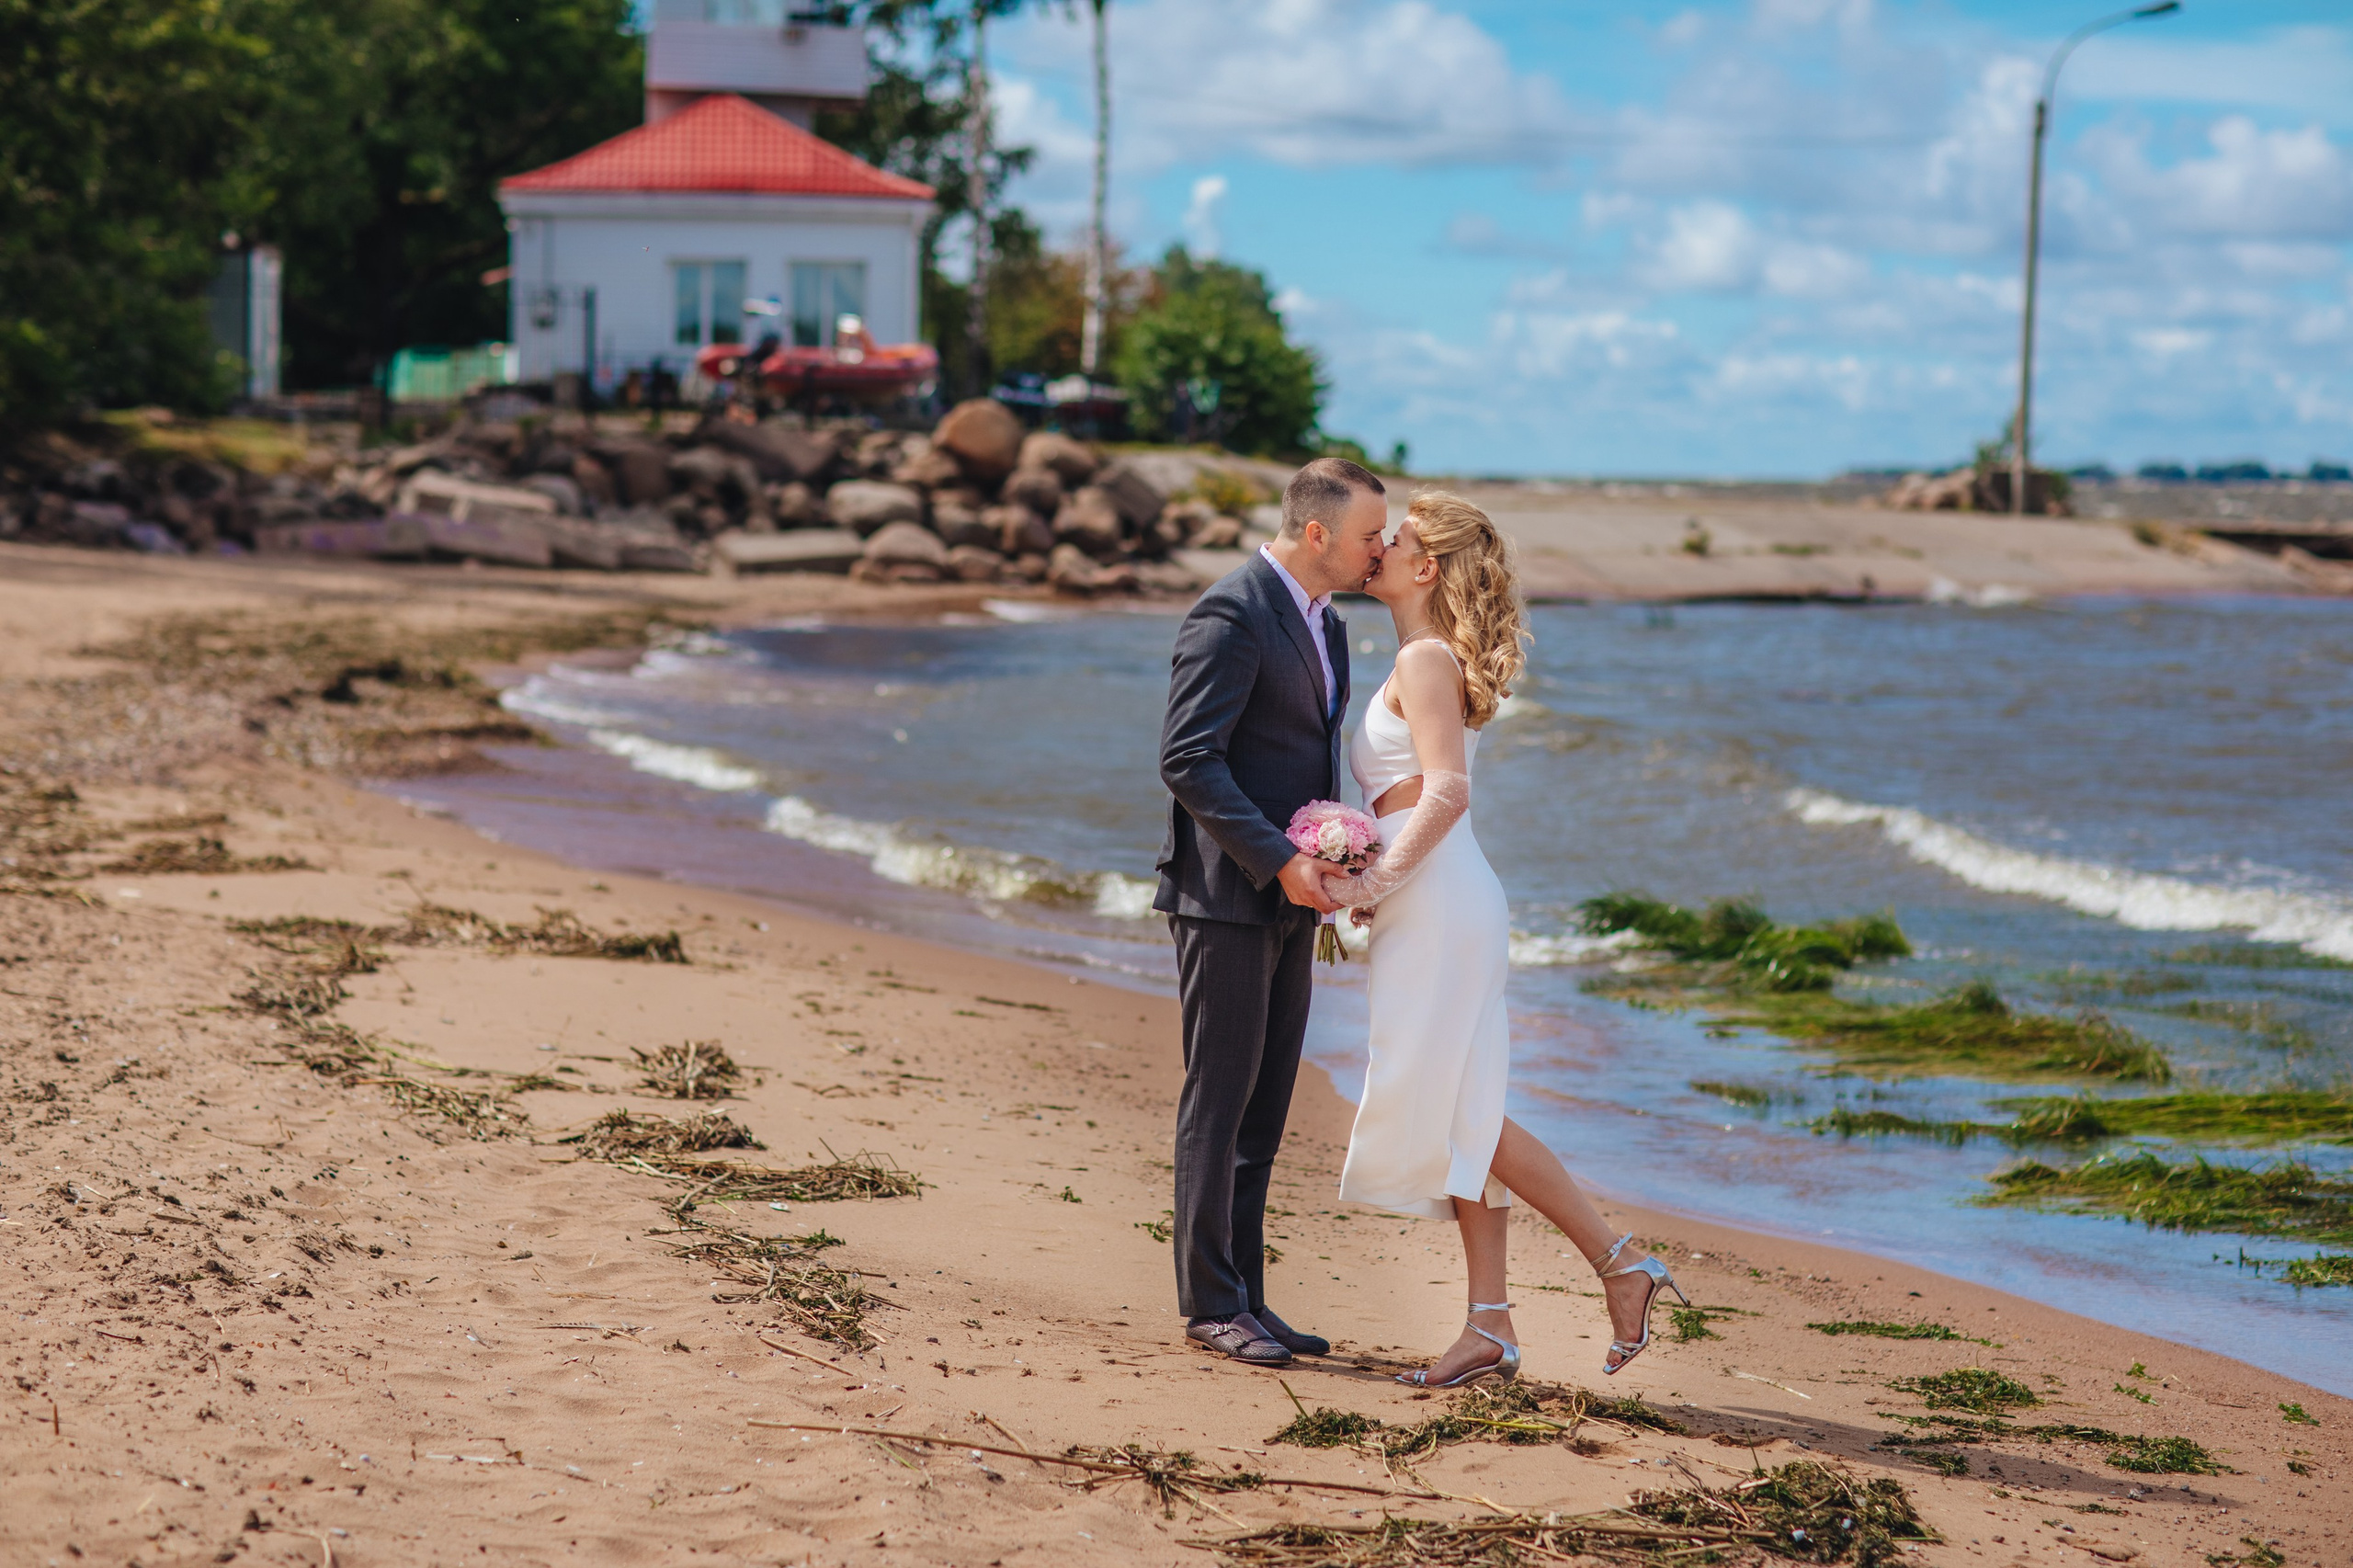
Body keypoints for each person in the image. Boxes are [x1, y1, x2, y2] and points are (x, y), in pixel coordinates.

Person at [1320, 490, 1688, 1386]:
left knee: (1461, 1111)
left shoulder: (1425, 657)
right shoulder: (1419, 656)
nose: (1378, 545)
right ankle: (1491, 1324)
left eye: (1393, 537)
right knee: (1462, 1103)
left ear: (1426, 565)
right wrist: (1373, 880)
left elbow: (1444, 792)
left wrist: (1370, 880)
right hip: (1435, 899)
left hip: (1441, 901)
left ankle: (1619, 1259)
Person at [1154, 456, 1390, 1367]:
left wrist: (1338, 861)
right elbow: (1188, 758)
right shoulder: (1231, 611)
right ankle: (1210, 1304)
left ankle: (1248, 1294)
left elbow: (1302, 760)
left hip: (1293, 896)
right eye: (1371, 533)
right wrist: (1282, 860)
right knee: (1217, 1099)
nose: (1382, 547)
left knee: (1265, 1106)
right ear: (1318, 532)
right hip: (1224, 894)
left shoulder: (1325, 626)